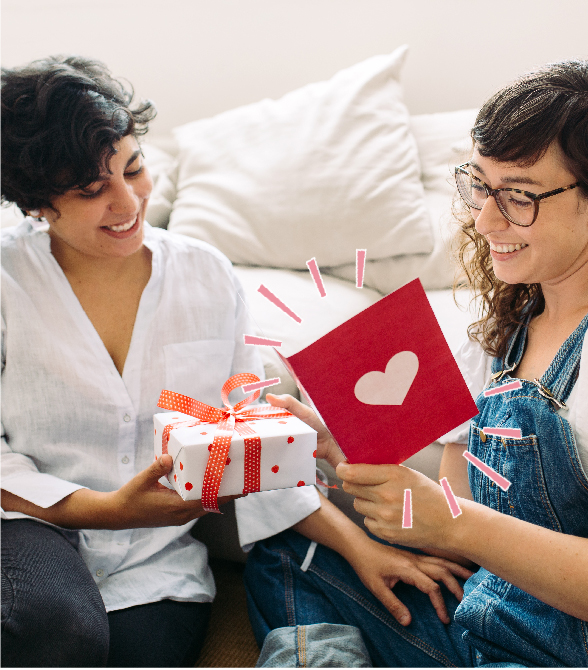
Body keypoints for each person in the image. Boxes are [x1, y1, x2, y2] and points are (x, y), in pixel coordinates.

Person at [1, 56, 472, 667]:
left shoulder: (206, 275)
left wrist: (361, 548)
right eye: (92, 190)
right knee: (59, 637)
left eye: (134, 168)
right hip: (29, 528)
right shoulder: (9, 280)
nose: (127, 201)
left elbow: (253, 445)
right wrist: (104, 511)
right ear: (37, 203)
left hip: (157, 566)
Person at [245, 59, 588, 667]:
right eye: (479, 185)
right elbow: (455, 509)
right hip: (490, 617)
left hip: (581, 649)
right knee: (290, 554)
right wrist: (343, 451)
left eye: (519, 196)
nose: (485, 219)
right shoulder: (512, 318)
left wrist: (454, 525)